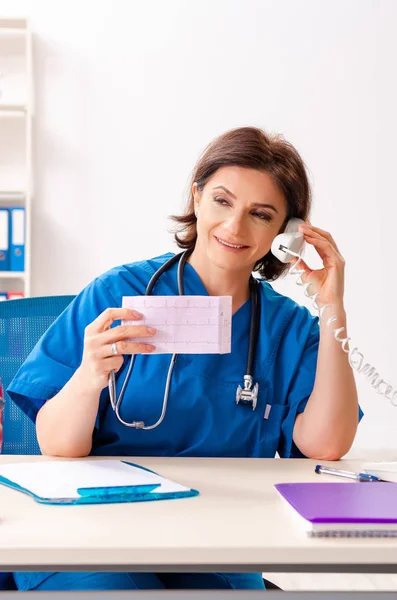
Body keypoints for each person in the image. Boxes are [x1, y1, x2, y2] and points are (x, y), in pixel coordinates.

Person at [7, 126, 361, 591]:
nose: (234, 227)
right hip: (93, 533)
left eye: (260, 214)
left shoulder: (288, 327)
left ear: (286, 233)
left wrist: (331, 307)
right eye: (222, 201)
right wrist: (90, 376)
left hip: (216, 545)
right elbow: (56, 445)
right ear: (196, 198)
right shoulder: (118, 294)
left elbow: (326, 446)